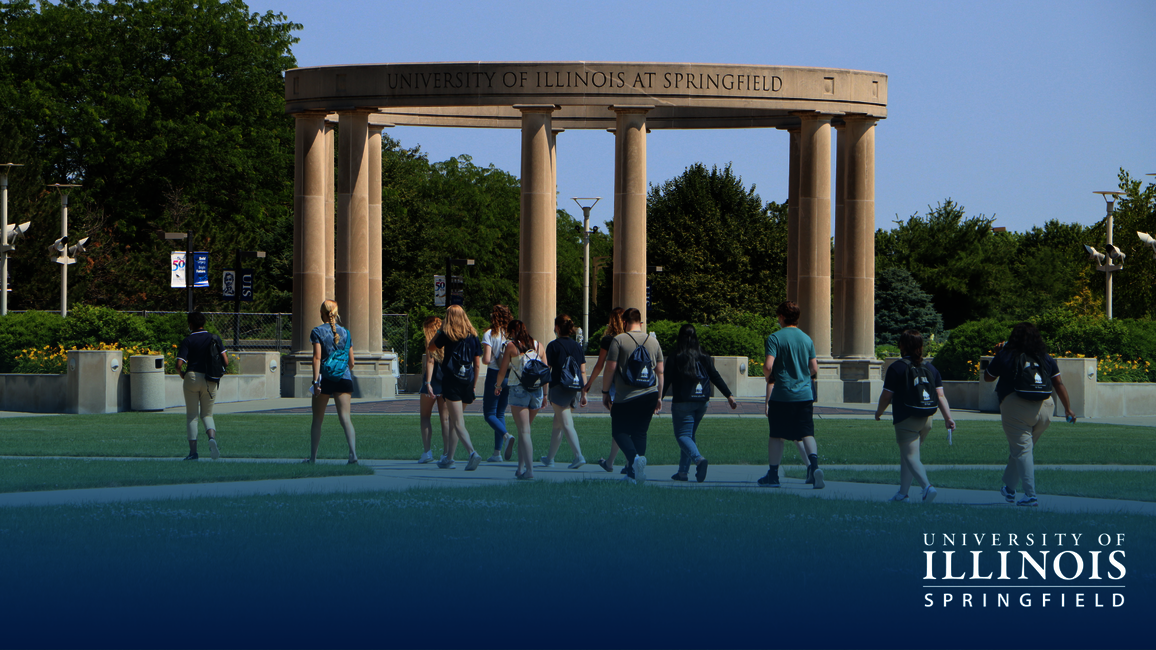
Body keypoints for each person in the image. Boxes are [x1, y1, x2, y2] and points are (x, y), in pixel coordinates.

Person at [984, 322, 1075, 507]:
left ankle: (1030, 495)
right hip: (1045, 408)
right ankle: (1009, 489)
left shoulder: (1006, 354)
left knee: (1022, 450)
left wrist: (997, 354)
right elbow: (1058, 383)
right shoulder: (1044, 357)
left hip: (1016, 407)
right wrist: (1068, 408)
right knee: (1023, 449)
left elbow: (988, 377)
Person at [874, 329, 955, 503]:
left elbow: (887, 396)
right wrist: (948, 418)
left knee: (910, 457)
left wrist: (879, 412)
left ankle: (927, 487)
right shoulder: (931, 368)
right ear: (920, 346)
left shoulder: (896, 367)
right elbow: (940, 396)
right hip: (927, 419)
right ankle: (903, 494)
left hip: (906, 418)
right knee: (908, 456)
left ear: (902, 346)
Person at [759, 301, 823, 489]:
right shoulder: (806, 339)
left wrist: (767, 375)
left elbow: (769, 365)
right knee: (807, 433)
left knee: (777, 435)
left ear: (781, 317)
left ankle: (773, 475)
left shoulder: (775, 338)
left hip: (782, 395)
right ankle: (814, 467)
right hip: (804, 395)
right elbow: (814, 368)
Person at [663, 324, 737, 482]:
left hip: (683, 402)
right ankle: (682, 472)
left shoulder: (675, 356)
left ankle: (698, 459)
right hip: (702, 402)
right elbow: (715, 376)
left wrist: (658, 399)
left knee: (682, 435)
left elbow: (667, 379)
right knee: (689, 435)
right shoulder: (703, 355)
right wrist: (729, 395)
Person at [602, 307, 664, 484]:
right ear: (641, 323)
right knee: (640, 432)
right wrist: (659, 397)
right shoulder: (653, 342)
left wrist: (605, 392)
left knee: (619, 430)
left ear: (624, 322)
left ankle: (635, 459)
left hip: (626, 396)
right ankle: (634, 473)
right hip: (650, 394)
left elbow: (611, 368)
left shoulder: (619, 340)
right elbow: (660, 372)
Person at [430, 304, 484, 471]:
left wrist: (439, 330)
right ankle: (450, 458)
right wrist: (474, 385)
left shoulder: (447, 334)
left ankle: (472, 452)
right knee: (455, 420)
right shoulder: (474, 336)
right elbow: (477, 364)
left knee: (458, 422)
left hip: (451, 381)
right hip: (467, 381)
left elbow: (431, 347)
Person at [493, 319, 547, 479]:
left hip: (518, 390)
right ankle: (520, 468)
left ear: (512, 332)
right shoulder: (539, 346)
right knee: (525, 431)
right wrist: (545, 394)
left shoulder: (511, 346)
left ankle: (529, 471)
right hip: (536, 391)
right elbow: (545, 372)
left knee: (524, 431)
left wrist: (497, 386)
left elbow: (502, 371)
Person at [307, 300, 358, 464]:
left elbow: (317, 357)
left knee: (317, 419)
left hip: (325, 379)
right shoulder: (346, 333)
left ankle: (313, 458)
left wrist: (316, 382)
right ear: (336, 313)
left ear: (321, 313)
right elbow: (352, 362)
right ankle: (353, 454)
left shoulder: (317, 332)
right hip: (344, 378)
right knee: (345, 418)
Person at [176, 310, 228, 461]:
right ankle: (211, 438)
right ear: (203, 323)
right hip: (210, 379)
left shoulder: (188, 340)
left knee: (192, 416)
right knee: (207, 414)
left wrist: (182, 375)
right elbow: (225, 361)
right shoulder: (214, 338)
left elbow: (179, 364)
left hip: (192, 377)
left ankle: (193, 453)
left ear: (190, 324)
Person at [583, 307, 625, 473]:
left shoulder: (609, 340)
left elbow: (601, 365)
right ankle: (617, 461)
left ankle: (613, 462)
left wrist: (589, 384)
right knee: (627, 425)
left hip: (615, 385)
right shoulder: (631, 338)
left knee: (619, 425)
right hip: (632, 385)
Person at [543, 314, 587, 469]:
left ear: (557, 328)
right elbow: (582, 371)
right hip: (573, 389)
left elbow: (547, 371)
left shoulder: (553, 346)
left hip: (558, 388)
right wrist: (584, 392)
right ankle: (550, 458)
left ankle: (578, 456)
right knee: (558, 424)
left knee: (566, 424)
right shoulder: (577, 347)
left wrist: (545, 393)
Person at [482, 304, 515, 462]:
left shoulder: (489, 334)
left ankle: (506, 436)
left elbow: (487, 359)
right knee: (500, 413)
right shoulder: (511, 334)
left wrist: (483, 357)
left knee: (489, 414)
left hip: (495, 374)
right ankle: (497, 453)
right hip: (509, 374)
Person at [419, 316, 450, 464]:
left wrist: (428, 382)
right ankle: (446, 453)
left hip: (432, 379)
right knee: (445, 419)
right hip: (445, 379)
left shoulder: (430, 341)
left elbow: (430, 361)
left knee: (425, 416)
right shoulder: (447, 338)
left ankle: (427, 452)